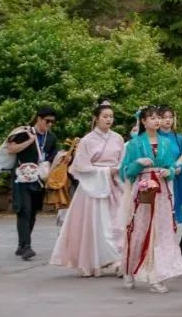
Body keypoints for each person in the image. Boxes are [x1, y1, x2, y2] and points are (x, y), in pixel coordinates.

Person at [50, 99, 126, 277]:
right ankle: (93, 261)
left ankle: (119, 260)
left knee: (117, 223)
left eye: (111, 116)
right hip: (93, 186)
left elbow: (122, 161)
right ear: (96, 118)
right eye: (105, 116)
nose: (109, 119)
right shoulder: (87, 140)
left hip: (113, 184)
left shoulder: (118, 138)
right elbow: (81, 166)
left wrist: (116, 172)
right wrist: (105, 171)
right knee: (95, 225)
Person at [119, 106, 182, 293]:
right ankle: (129, 269)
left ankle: (156, 275)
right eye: (152, 118)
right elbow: (126, 172)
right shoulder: (135, 144)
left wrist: (168, 171)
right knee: (138, 229)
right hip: (143, 189)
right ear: (143, 121)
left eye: (158, 117)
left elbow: (171, 166)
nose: (157, 121)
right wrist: (138, 164)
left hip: (162, 191)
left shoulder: (165, 143)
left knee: (161, 231)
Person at [4, 106, 59, 260]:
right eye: (47, 121)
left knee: (33, 211)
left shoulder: (51, 137)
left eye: (52, 122)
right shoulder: (24, 132)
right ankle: (27, 246)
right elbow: (11, 148)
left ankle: (22, 245)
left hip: (39, 179)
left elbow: (54, 156)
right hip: (22, 177)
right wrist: (29, 141)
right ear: (39, 119)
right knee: (24, 210)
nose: (49, 124)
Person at [159, 106, 182, 224]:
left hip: (175, 178)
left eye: (170, 117)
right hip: (160, 177)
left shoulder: (179, 138)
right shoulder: (154, 137)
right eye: (164, 117)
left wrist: (180, 167)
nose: (168, 120)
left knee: (174, 213)